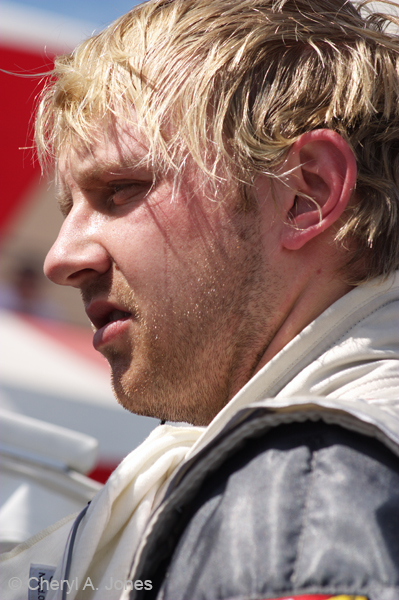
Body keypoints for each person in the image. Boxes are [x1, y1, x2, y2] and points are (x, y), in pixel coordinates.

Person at [1, 0, 399, 599]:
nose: (62, 258)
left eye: (121, 190)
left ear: (306, 193)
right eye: (69, 210)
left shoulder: (308, 481)